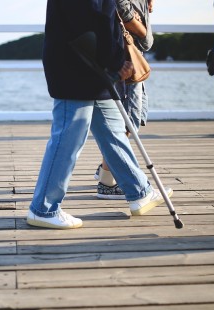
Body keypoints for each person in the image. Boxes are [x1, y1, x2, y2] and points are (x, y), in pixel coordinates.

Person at [27, 0, 172, 230]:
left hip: (88, 66)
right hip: (79, 67)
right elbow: (92, 21)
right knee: (67, 138)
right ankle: (43, 208)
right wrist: (115, 63)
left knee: (112, 129)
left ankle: (139, 192)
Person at [95, 0, 155, 200]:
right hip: (126, 53)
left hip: (131, 51)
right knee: (126, 122)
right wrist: (144, 33)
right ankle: (107, 181)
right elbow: (121, 7)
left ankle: (108, 171)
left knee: (132, 118)